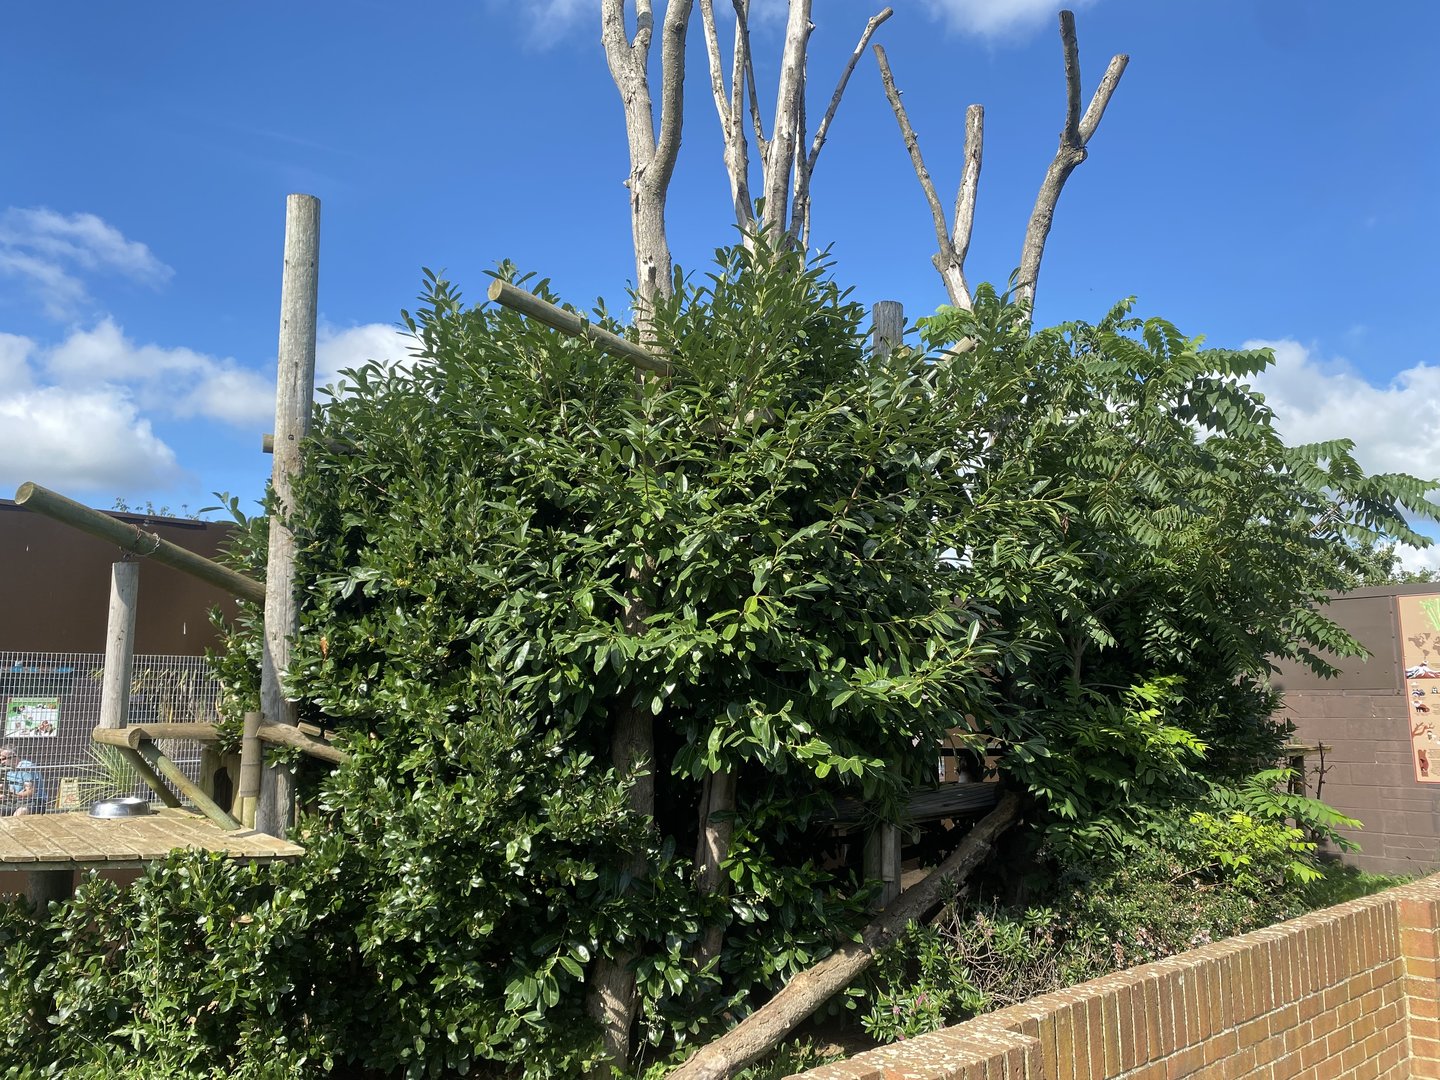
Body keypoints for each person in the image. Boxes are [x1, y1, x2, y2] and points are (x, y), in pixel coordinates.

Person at [0, 746, 44, 815]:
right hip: (15, 801)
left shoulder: (26, 767)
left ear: (13, 757)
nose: (1, 762)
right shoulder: (8, 769)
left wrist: (15, 795)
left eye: (3, 759)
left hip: (33, 801)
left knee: (20, 813)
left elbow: (31, 791)